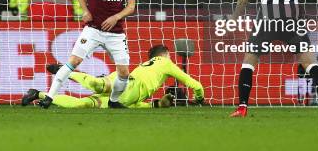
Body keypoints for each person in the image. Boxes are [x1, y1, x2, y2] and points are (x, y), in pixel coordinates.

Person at [37, 0, 137, 109]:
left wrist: (116, 17)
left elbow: (131, 6)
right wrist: (85, 11)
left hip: (116, 34)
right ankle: (49, 97)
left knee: (124, 73)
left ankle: (113, 101)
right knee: (74, 61)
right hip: (93, 30)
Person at [22, 44, 204, 108]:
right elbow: (194, 84)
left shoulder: (148, 68)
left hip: (126, 94)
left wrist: (158, 105)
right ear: (164, 54)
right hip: (127, 86)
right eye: (169, 56)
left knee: (83, 102)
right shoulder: (165, 62)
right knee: (97, 87)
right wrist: (199, 98)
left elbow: (137, 105)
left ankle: (37, 93)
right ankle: (64, 70)